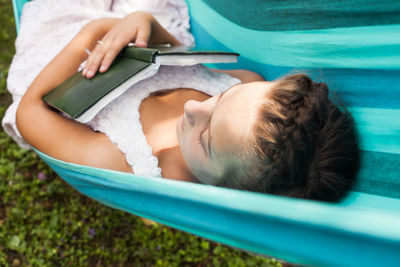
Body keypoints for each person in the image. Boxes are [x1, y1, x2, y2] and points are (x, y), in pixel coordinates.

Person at [15, 11, 359, 202]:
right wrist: (146, 25)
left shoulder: (127, 162)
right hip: (125, 39)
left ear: (228, 192)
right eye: (219, 99)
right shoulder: (244, 84)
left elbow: (30, 114)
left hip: (65, 60)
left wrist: (96, 31)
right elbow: (178, 60)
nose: (194, 106)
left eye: (206, 139)